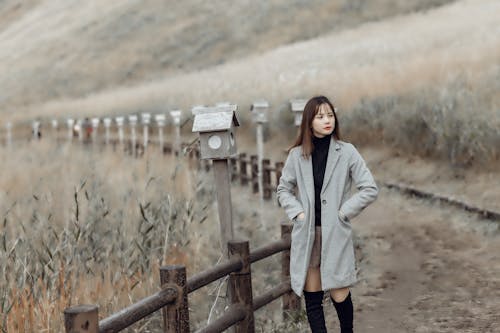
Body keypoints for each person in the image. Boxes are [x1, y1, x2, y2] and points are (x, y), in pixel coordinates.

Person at [277, 96, 378, 332]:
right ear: (309, 122)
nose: (327, 120)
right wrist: (299, 213)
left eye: (330, 115)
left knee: (339, 291)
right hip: (309, 234)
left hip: (335, 232)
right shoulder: (296, 155)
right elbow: (283, 189)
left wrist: (344, 212)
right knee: (313, 297)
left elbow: (370, 188)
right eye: (320, 116)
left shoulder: (347, 152)